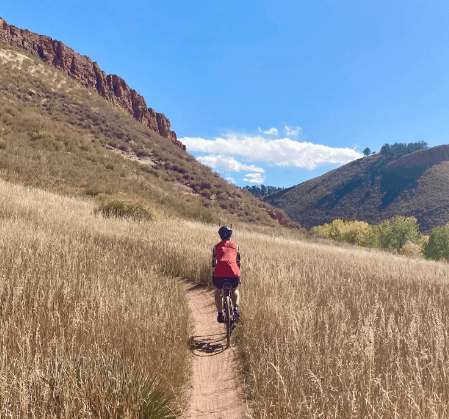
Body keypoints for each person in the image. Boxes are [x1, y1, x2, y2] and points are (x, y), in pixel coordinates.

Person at [212, 226, 241, 323]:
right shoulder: (236, 246)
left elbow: (213, 263)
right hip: (233, 271)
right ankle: (235, 308)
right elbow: (238, 261)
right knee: (235, 289)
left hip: (219, 271)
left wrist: (213, 273)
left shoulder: (216, 247)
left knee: (218, 291)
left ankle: (220, 314)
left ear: (220, 235)